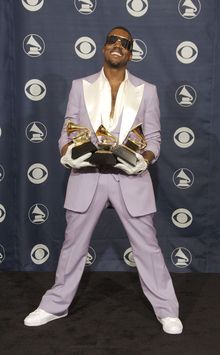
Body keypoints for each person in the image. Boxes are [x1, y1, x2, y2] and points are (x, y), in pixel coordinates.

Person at [24, 26, 183, 334]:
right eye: (113, 40)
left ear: (131, 53)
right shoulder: (79, 86)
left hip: (131, 179)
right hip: (87, 176)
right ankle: (55, 305)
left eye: (125, 43)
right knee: (73, 245)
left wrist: (143, 160)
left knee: (148, 247)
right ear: (103, 47)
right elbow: (66, 132)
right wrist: (69, 152)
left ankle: (167, 309)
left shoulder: (146, 90)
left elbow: (153, 138)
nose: (118, 45)